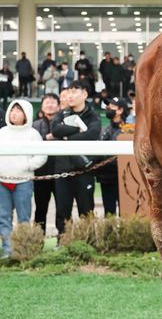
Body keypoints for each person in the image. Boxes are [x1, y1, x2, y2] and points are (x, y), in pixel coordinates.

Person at [51, 81, 101, 235]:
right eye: (68, 92)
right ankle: (63, 240)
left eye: (74, 92)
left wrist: (68, 136)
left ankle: (88, 240)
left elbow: (92, 134)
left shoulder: (93, 116)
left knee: (86, 210)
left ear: (84, 94)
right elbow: (56, 130)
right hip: (62, 170)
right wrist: (77, 129)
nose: (70, 96)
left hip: (84, 171)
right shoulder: (63, 113)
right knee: (62, 210)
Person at [0, 100, 47, 257]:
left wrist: (28, 165)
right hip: (2, 181)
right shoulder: (3, 132)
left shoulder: (33, 134)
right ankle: (8, 249)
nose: (14, 113)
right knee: (3, 216)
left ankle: (23, 249)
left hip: (23, 182)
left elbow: (41, 155)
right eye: (12, 110)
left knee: (23, 217)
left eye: (19, 111)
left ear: (26, 114)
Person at [33, 93, 61, 234]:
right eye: (46, 102)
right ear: (42, 106)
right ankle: (37, 239)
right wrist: (46, 138)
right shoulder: (34, 126)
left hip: (61, 173)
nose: (49, 105)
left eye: (52, 102)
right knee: (40, 209)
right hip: (41, 175)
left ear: (59, 106)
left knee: (62, 208)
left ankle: (62, 239)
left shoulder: (64, 123)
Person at [96, 97, 128, 215]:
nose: (108, 109)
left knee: (126, 212)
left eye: (111, 106)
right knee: (109, 213)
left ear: (120, 110)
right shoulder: (104, 129)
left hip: (124, 177)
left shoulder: (129, 130)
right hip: (106, 177)